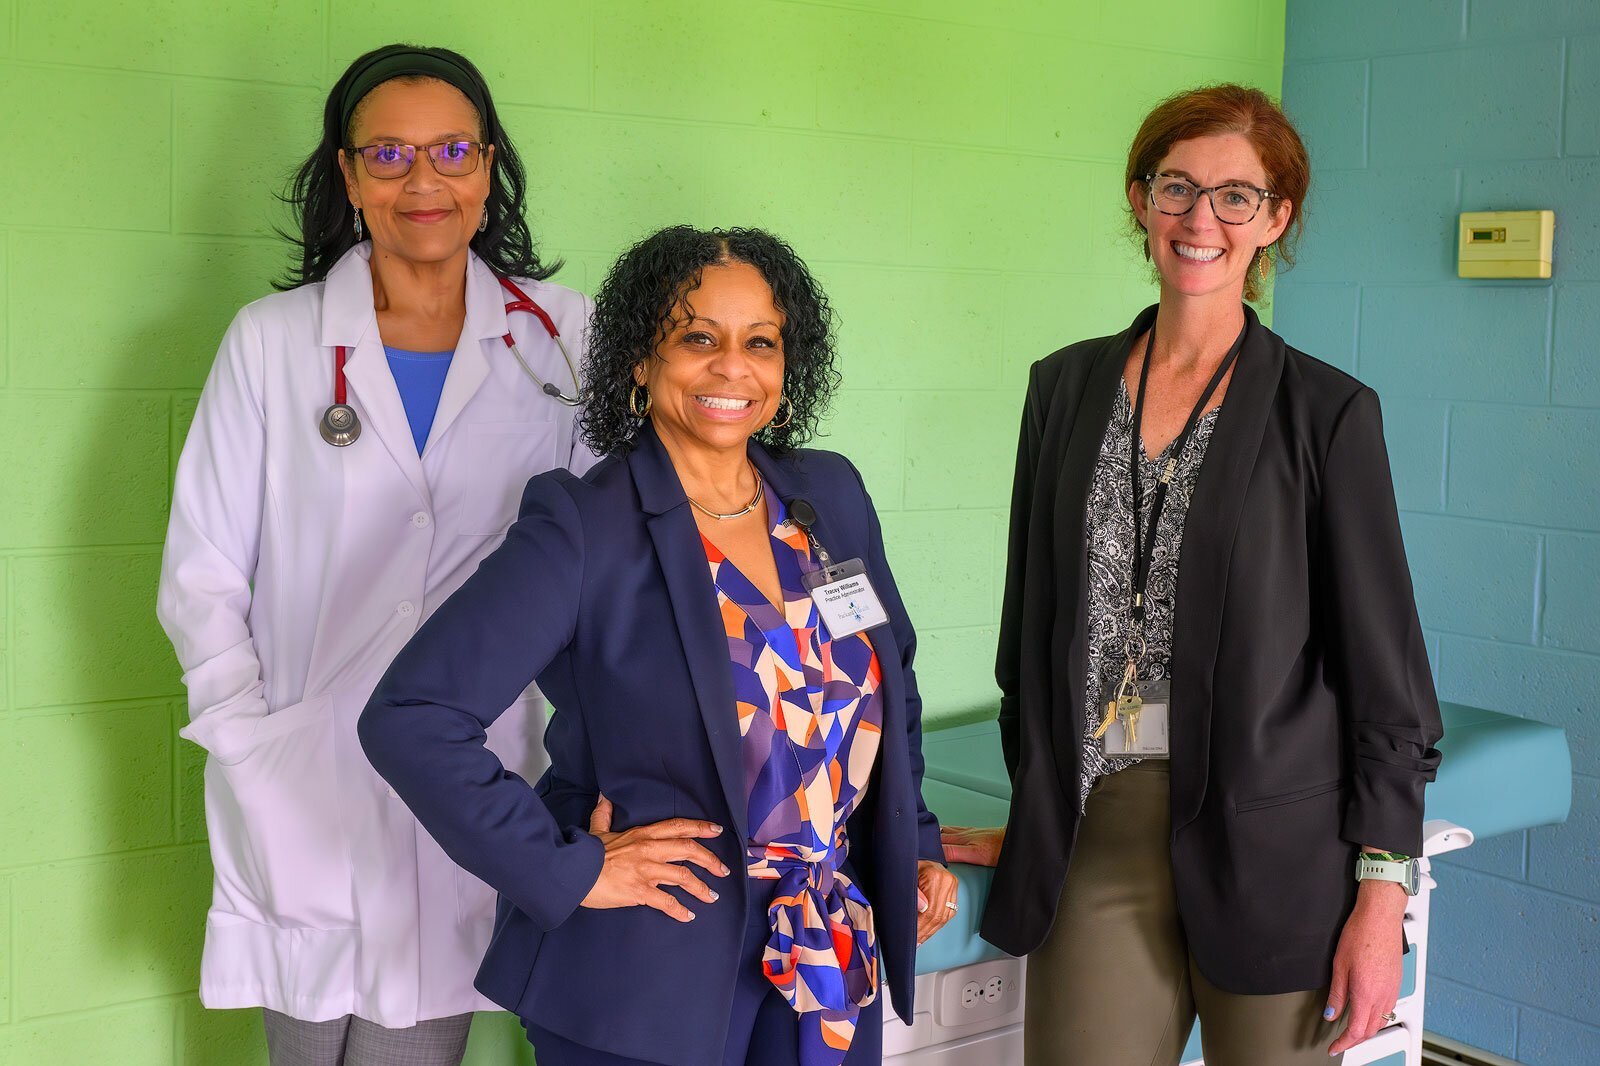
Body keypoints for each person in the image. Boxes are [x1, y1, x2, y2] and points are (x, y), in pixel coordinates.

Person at [359, 225, 959, 1066]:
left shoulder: (829, 495)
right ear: (641, 361)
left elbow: (891, 682)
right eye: (697, 339)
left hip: (824, 951)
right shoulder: (584, 526)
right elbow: (412, 717)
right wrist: (568, 868)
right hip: (651, 972)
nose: (732, 368)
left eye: (760, 342)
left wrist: (915, 844)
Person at [939, 84, 1444, 1065]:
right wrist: (1038, 817)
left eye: (1235, 196)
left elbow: (1387, 684)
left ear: (1276, 218)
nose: (1200, 218)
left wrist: (1383, 898)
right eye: (1176, 187)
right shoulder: (1063, 388)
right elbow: (1028, 635)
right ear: (1140, 199)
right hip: (1098, 833)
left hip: (1276, 848)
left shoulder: (1327, 415)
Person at [156, 43, 594, 1066]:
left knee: (419, 1037)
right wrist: (244, 734)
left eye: (451, 150)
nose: (422, 180)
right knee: (305, 1042)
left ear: (488, 167)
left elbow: (603, 554)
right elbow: (200, 567)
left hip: (473, 762)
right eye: (388, 154)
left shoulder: (564, 336)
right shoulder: (274, 339)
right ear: (349, 177)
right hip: (302, 763)